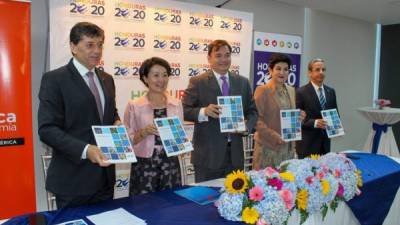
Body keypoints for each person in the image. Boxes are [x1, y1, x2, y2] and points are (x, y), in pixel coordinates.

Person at [38, 22, 121, 208]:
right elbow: (47, 129)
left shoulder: (107, 79)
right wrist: (86, 150)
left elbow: (109, 112)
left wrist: (116, 122)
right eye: (90, 45)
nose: (97, 50)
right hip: (73, 181)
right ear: (73, 47)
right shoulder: (54, 80)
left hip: (106, 178)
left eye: (100, 44)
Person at [182, 39, 258, 182]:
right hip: (208, 155)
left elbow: (253, 111)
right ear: (209, 58)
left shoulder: (242, 82)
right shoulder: (198, 82)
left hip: (235, 154)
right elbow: (184, 110)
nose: (224, 59)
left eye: (227, 55)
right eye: (218, 55)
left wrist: (247, 126)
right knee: (205, 199)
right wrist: (204, 111)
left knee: (234, 198)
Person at [124, 57, 182, 195]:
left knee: (171, 204)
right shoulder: (134, 105)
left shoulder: (176, 104)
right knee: (143, 206)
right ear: (145, 78)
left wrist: (180, 141)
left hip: (170, 163)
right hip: (144, 164)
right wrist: (143, 132)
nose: (161, 80)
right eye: (155, 75)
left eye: (165, 75)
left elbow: (180, 136)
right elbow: (127, 140)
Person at [252, 53, 305, 169]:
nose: (282, 73)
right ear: (270, 70)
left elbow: (289, 117)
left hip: (287, 149)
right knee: (266, 184)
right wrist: (273, 135)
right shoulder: (262, 90)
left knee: (286, 183)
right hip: (268, 148)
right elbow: (255, 119)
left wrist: (299, 117)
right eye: (278, 69)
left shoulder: (291, 90)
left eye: (286, 69)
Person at [296, 58, 338, 158]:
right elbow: (297, 119)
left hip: (325, 146)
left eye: (323, 70)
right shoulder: (300, 92)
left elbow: (335, 115)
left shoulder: (331, 91)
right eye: (317, 70)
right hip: (307, 146)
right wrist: (314, 123)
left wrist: (336, 125)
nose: (321, 72)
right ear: (310, 73)